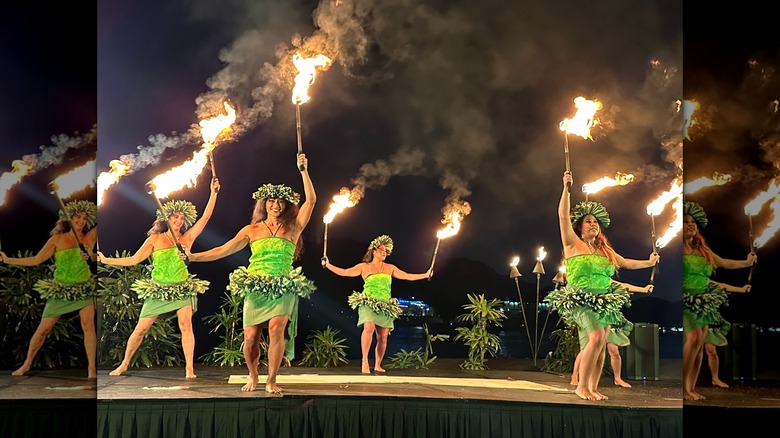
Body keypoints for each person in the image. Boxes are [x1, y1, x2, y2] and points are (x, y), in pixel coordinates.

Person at [188, 154, 316, 393]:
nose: (275, 205)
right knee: (250, 340)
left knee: (277, 329)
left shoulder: (293, 227)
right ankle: (254, 375)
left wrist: (303, 171)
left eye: (280, 201)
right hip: (255, 288)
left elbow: (311, 201)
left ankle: (271, 380)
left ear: (286, 205)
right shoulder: (252, 229)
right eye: (271, 201)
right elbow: (223, 249)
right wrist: (194, 257)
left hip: (282, 286)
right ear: (264, 204)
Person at [545, 171, 657, 401]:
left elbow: (626, 263)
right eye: (588, 221)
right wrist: (566, 188)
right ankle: (581, 386)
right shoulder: (572, 243)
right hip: (580, 298)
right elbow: (562, 216)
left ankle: (592, 387)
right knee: (597, 338)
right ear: (580, 226)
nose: (593, 224)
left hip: (603, 301)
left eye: (595, 222)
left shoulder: (605, 251)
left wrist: (649, 262)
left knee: (600, 343)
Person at [98, 178, 219, 378]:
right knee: (141, 329)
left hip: (182, 287)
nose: (178, 221)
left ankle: (189, 368)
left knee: (186, 324)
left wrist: (213, 192)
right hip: (159, 289)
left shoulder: (187, 238)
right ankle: (124, 364)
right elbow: (134, 260)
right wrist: (106, 260)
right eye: (175, 217)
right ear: (166, 218)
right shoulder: (155, 239)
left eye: (181, 218)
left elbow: (205, 217)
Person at [0, 199, 98, 378]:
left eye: (84, 218)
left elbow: (94, 255)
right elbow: (36, 260)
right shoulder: (57, 239)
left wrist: (90, 255)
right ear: (68, 218)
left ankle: (92, 369)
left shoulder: (89, 237)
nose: (81, 221)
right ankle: (27, 364)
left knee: (88, 326)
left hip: (83, 288)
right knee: (43, 329)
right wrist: (7, 259)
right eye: (77, 217)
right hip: (61, 290)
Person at [323, 235, 432, 374]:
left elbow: (407, 275)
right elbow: (345, 272)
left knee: (383, 336)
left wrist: (425, 274)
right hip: (368, 302)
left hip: (385, 305)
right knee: (368, 327)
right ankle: (365, 361)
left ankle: (378, 364)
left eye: (386, 250)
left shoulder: (390, 268)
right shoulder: (364, 267)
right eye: (381, 249)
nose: (384, 252)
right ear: (373, 251)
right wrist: (328, 265)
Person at [682, 200, 754, 401]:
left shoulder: (702, 250)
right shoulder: (678, 250)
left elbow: (724, 263)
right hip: (686, 299)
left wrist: (746, 263)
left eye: (693, 222)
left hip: (703, 300)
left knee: (699, 347)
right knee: (694, 337)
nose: (690, 225)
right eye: (686, 221)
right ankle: (682, 387)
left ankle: (690, 387)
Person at [570, 279, 653, 388]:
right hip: (590, 315)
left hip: (608, 316)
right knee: (586, 349)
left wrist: (643, 289)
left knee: (614, 351)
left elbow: (623, 285)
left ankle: (617, 378)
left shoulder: (604, 277)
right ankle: (575, 376)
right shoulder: (586, 278)